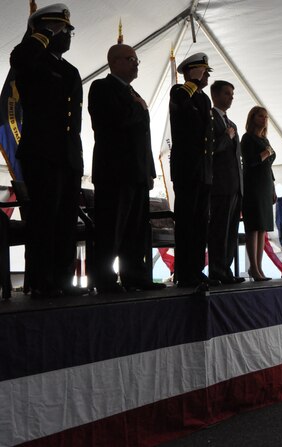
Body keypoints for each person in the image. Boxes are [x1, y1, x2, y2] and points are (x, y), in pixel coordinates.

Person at [10, 3, 88, 298]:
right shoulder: (33, 60)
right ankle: (42, 281)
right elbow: (19, 58)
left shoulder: (70, 70)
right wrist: (40, 34)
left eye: (69, 30)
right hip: (41, 153)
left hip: (67, 156)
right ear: (44, 29)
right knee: (45, 218)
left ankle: (63, 279)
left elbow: (75, 123)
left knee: (66, 220)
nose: (67, 34)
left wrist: (77, 157)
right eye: (61, 28)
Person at [88, 44, 165, 294]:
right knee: (111, 229)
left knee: (136, 231)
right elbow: (113, 120)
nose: (136, 64)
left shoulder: (134, 93)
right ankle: (105, 279)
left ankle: (135, 276)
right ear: (115, 62)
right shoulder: (102, 88)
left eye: (137, 60)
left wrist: (149, 171)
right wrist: (140, 109)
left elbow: (143, 138)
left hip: (137, 172)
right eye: (132, 59)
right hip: (114, 172)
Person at [169, 52, 219, 289]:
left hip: (203, 171)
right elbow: (185, 116)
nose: (207, 76)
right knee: (187, 222)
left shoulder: (204, 99)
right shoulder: (180, 92)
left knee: (200, 224)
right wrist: (191, 81)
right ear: (193, 70)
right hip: (187, 170)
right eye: (204, 71)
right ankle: (184, 272)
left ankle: (197, 269)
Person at [208, 80, 245, 284]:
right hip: (219, 185)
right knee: (219, 230)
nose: (230, 97)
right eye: (226, 93)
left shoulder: (232, 124)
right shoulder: (210, 118)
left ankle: (226, 270)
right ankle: (216, 270)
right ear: (215, 95)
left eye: (232, 94)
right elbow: (210, 150)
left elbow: (237, 160)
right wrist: (225, 136)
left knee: (231, 231)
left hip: (234, 185)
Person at [241, 106, 276, 281]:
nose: (264, 119)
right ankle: (252, 268)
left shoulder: (265, 139)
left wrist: (273, 189)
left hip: (265, 186)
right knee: (253, 227)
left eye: (266, 117)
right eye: (260, 116)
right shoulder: (247, 139)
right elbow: (249, 162)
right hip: (253, 186)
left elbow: (269, 167)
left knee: (262, 228)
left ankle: (259, 268)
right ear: (252, 118)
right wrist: (265, 153)